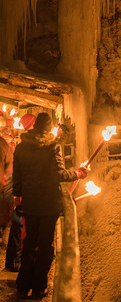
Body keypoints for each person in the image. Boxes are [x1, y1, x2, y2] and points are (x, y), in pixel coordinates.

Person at [13, 113, 87, 299]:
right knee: (45, 247)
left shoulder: (21, 147)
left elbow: (17, 176)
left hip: (30, 203)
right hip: (48, 205)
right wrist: (77, 174)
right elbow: (59, 174)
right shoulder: (53, 147)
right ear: (48, 127)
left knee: (30, 244)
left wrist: (18, 197)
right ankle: (39, 287)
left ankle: (23, 286)